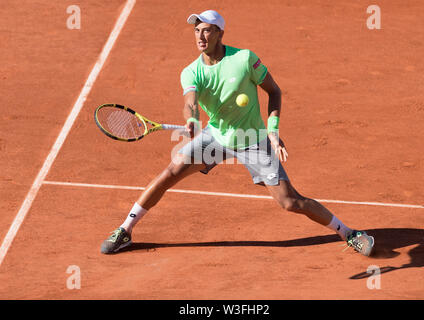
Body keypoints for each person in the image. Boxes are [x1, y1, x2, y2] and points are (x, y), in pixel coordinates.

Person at [100, 10, 374, 256]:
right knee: (170, 172)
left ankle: (348, 232)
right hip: (216, 137)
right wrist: (192, 119)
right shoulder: (191, 72)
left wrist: (273, 131)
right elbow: (190, 102)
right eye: (196, 30)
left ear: (220, 33)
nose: (200, 35)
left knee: (290, 202)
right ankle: (125, 229)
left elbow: (274, 91)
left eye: (206, 29)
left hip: (253, 140)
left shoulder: (244, 59)